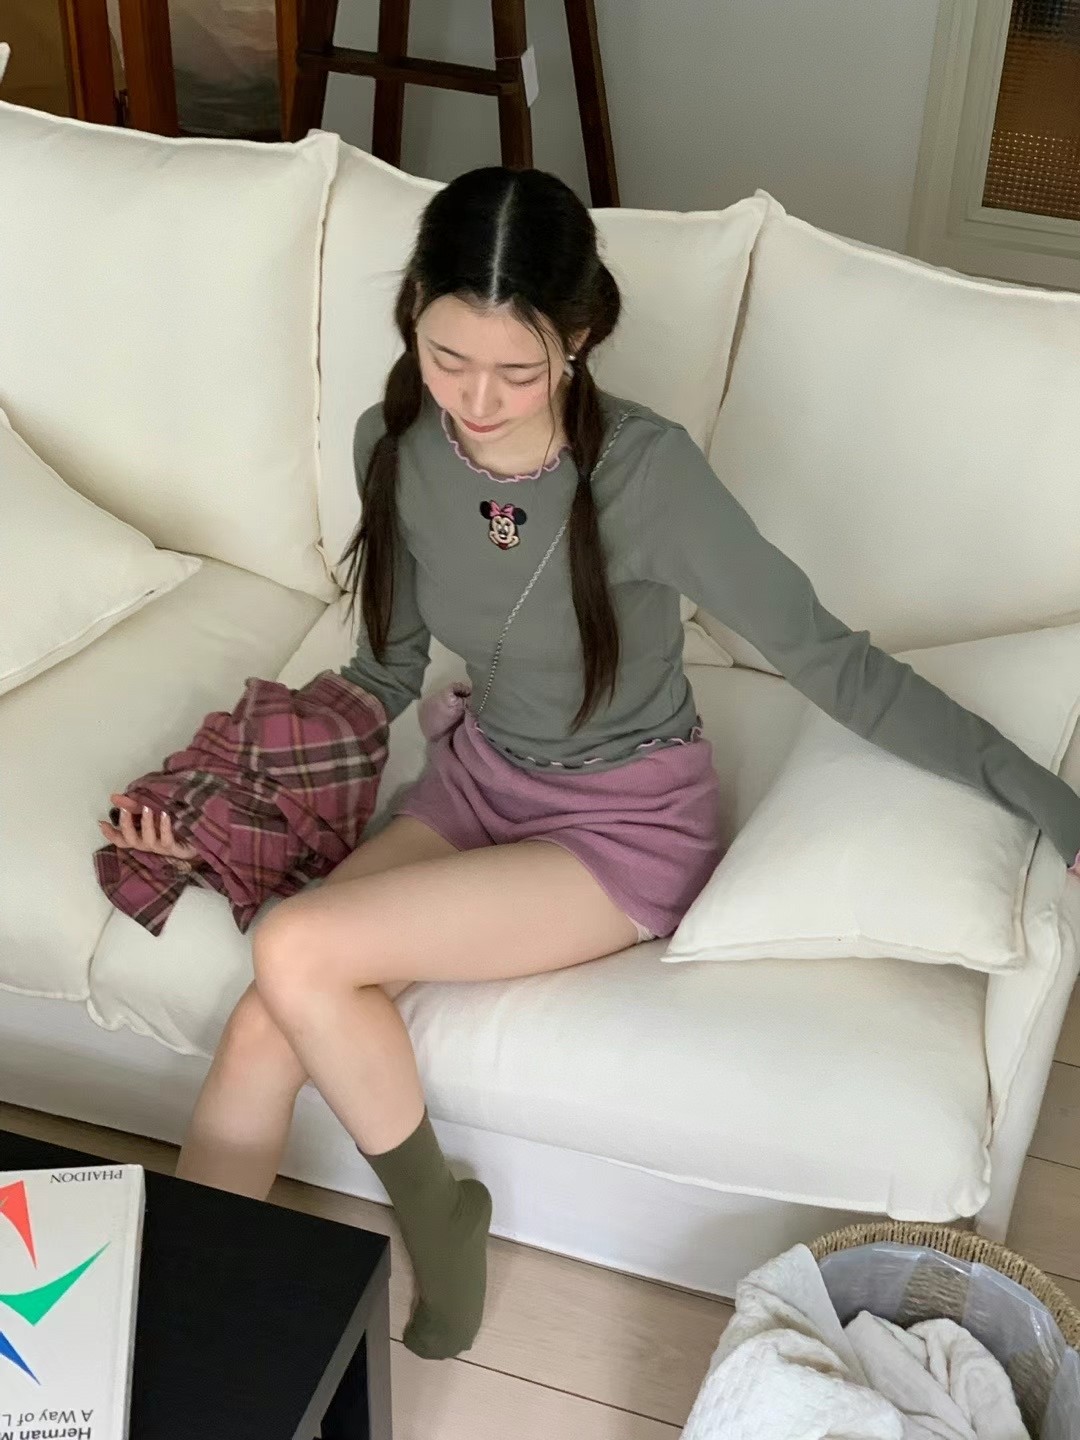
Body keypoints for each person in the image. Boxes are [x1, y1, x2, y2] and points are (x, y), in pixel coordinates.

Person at [101, 165, 1080, 1362]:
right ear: (412, 314)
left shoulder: (648, 477)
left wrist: (1053, 803)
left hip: (620, 829)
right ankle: (166, 1338)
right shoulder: (394, 445)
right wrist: (214, 802)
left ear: (578, 339)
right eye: (446, 356)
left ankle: (437, 1216)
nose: (475, 399)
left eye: (516, 371)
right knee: (267, 1019)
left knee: (293, 947)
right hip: (476, 781)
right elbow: (387, 668)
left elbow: (834, 661)